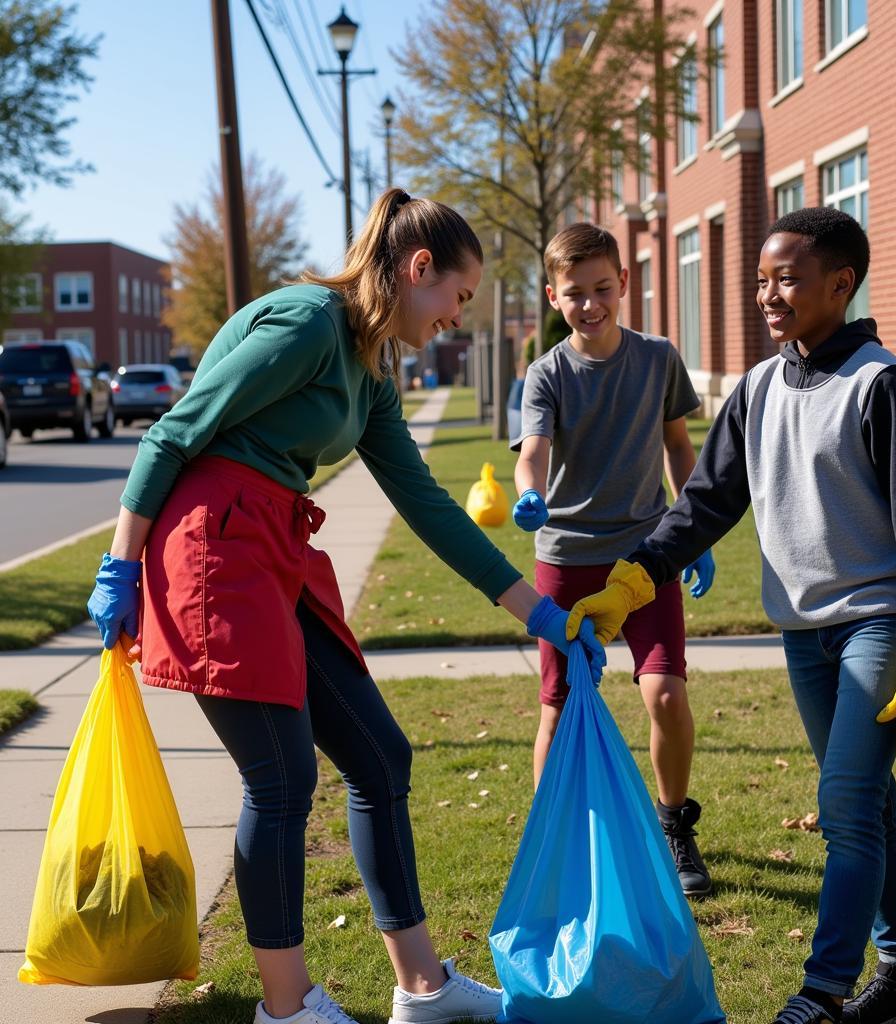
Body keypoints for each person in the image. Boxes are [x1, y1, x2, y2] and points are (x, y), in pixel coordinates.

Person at [86, 187, 604, 1024]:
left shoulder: (370, 374)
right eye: (457, 298)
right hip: (215, 549)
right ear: (417, 268)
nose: (456, 318)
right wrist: (121, 565)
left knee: (378, 756)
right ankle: (286, 1009)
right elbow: (170, 435)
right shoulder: (305, 326)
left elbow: (431, 508)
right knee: (282, 779)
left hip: (275, 549)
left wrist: (539, 614)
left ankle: (424, 988)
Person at [565, 207, 896, 1024]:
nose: (767, 296)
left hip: (877, 625)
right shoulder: (755, 388)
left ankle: (822, 990)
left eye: (786, 278)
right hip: (804, 632)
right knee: (872, 806)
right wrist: (633, 580)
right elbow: (703, 504)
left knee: (848, 808)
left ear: (840, 285)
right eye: (760, 280)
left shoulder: (882, 384)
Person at [510, 222, 716, 898]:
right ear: (552, 297)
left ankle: (674, 826)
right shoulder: (546, 373)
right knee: (560, 706)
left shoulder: (658, 359)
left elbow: (680, 448)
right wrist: (530, 494)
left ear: (625, 283)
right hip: (566, 560)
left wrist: (693, 530)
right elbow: (533, 450)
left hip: (647, 554)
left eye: (602, 288)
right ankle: (556, 841)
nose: (591, 304)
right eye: (575, 294)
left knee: (665, 692)